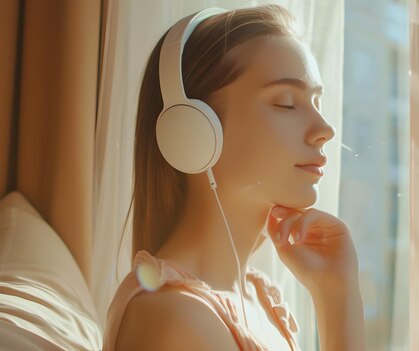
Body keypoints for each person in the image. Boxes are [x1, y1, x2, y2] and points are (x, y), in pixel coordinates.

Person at [102, 4, 366, 351]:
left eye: (316, 101)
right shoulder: (176, 319)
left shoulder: (257, 299)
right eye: (286, 103)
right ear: (194, 132)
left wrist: (336, 293)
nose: (325, 130)